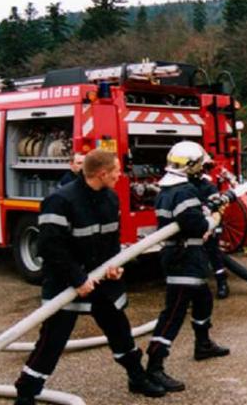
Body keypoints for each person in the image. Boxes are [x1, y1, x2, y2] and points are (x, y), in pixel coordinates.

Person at [13, 149, 165, 405]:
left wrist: (115, 265)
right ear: (102, 173)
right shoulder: (60, 201)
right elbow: (50, 247)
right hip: (66, 282)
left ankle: (137, 378)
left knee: (120, 330)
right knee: (53, 339)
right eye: (117, 170)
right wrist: (77, 278)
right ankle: (26, 393)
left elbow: (110, 240)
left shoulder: (111, 198)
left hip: (101, 282)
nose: (121, 174)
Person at [146, 141, 233, 392]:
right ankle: (154, 365)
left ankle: (203, 344)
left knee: (204, 299)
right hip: (183, 257)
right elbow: (198, 227)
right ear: (191, 166)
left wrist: (210, 205)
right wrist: (216, 215)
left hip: (183, 255)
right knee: (173, 313)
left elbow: (188, 217)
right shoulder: (182, 192)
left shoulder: (170, 188)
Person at [191, 157, 230, 299]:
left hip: (211, 225)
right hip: (194, 227)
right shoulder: (185, 186)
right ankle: (194, 289)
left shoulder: (209, 187)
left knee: (214, 253)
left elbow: (216, 211)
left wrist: (208, 229)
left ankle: (222, 283)